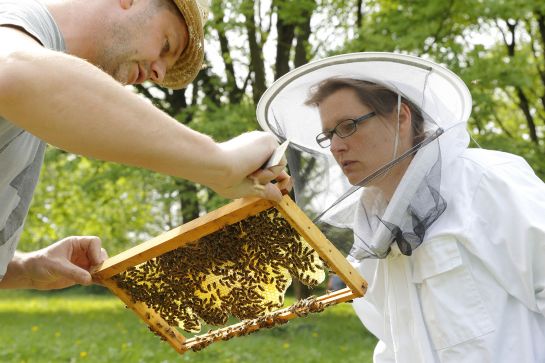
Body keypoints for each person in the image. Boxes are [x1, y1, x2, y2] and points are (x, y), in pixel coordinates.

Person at [256, 53, 545, 362]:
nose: (337, 146)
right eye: (328, 135)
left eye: (348, 126)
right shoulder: (371, 233)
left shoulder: (485, 182)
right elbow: (394, 344)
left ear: (401, 117)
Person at [0, 0, 290, 290]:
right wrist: (220, 162)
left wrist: (23, 268)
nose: (159, 74)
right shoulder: (15, 25)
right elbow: (10, 70)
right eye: (166, 45)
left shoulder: (40, 98)